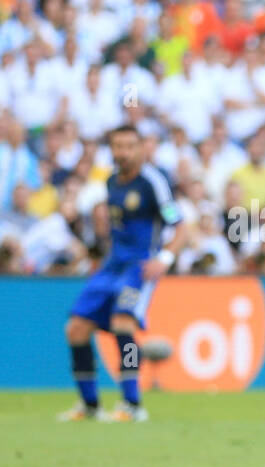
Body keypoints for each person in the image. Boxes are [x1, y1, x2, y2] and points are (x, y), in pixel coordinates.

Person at [58, 124, 188, 422]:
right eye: (118, 146)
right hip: (112, 264)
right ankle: (89, 405)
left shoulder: (152, 183)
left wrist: (164, 258)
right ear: (112, 149)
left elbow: (179, 226)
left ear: (141, 148)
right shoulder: (111, 183)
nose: (124, 152)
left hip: (138, 267)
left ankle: (132, 403)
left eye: (130, 146)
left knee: (122, 323)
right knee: (75, 329)